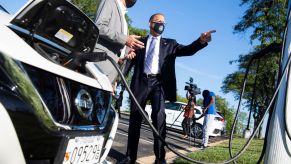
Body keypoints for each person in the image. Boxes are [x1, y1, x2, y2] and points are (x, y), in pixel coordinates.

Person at [122, 13, 214, 164]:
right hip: (140, 83)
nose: (161, 24)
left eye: (163, 22)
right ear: (150, 23)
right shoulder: (139, 42)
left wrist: (201, 41)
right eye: (157, 21)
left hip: (159, 84)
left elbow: (187, 50)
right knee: (135, 121)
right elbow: (128, 63)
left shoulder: (170, 44)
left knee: (159, 120)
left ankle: (160, 159)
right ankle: (129, 158)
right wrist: (117, 80)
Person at [94, 0, 144, 84]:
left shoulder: (123, 18)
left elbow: (118, 43)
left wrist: (126, 52)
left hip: (113, 69)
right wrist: (125, 39)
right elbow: (99, 26)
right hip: (101, 62)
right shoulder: (109, 2)